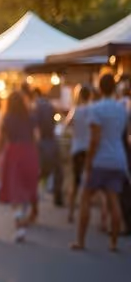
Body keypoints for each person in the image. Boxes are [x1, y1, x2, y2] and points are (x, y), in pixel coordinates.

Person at [72, 74, 129, 252]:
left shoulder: (96, 109)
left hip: (100, 160)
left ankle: (81, 241)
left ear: (100, 88)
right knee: (114, 200)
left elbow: (95, 139)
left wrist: (89, 162)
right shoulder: (122, 109)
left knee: (86, 199)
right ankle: (113, 243)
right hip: (118, 158)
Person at [0, 91, 40, 243]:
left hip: (13, 153)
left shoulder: (7, 119)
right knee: (27, 187)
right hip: (29, 152)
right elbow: (36, 137)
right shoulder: (30, 117)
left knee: (15, 189)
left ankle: (19, 224)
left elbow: (1, 139)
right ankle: (24, 215)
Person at [65, 85, 93, 223]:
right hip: (90, 149)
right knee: (90, 183)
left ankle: (70, 213)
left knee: (75, 183)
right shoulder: (93, 110)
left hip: (77, 149)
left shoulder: (76, 110)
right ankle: (88, 211)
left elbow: (67, 124)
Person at [34, 88, 64, 209]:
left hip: (43, 142)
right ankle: (58, 196)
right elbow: (57, 120)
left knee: (42, 170)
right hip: (51, 141)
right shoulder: (49, 106)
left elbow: (36, 128)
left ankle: (31, 194)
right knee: (57, 170)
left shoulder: (37, 107)